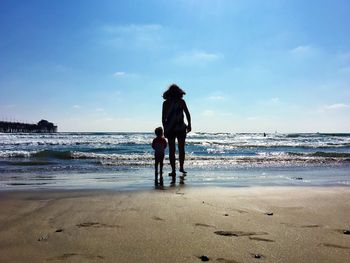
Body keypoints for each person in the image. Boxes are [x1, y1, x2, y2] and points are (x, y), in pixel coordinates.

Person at [162, 84, 191, 178]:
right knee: (181, 149)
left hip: (171, 128)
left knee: (172, 150)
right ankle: (181, 168)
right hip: (180, 128)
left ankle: (174, 170)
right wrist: (189, 124)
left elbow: (163, 118)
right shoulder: (181, 101)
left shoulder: (166, 103)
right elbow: (187, 114)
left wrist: (165, 129)